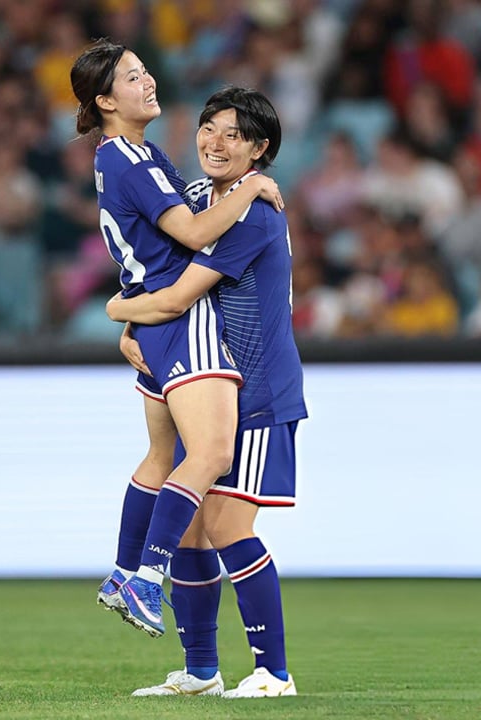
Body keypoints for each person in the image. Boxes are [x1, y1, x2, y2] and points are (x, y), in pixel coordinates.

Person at [69, 39, 282, 638]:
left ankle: (122, 573)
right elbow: (190, 233)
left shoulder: (129, 154)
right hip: (179, 318)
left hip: (151, 322)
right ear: (106, 100)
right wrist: (252, 186)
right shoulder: (132, 161)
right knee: (209, 457)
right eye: (133, 77)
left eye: (145, 71)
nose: (148, 81)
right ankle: (145, 578)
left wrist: (124, 313)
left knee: (163, 458)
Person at [105, 86, 306, 699]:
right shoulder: (197, 200)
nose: (215, 142)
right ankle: (200, 672)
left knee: (226, 524)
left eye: (233, 135)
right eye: (209, 128)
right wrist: (135, 326)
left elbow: (176, 298)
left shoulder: (255, 212)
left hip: (259, 388)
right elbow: (156, 279)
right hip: (212, 384)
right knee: (193, 530)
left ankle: (273, 672)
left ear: (259, 149)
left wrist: (118, 312)